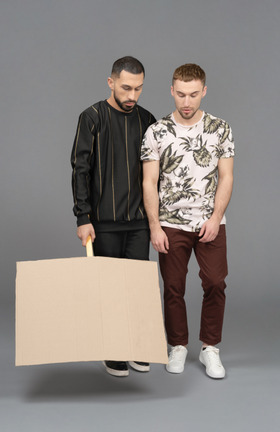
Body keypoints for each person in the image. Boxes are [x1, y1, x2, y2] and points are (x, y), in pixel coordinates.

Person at [141, 64, 234, 379]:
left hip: (210, 223)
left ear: (204, 91)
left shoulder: (220, 128)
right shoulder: (157, 131)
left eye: (193, 94)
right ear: (171, 90)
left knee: (215, 283)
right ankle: (177, 345)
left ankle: (210, 348)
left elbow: (226, 176)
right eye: (181, 94)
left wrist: (216, 217)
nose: (187, 101)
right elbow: (149, 181)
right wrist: (155, 225)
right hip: (170, 222)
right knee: (173, 287)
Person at [71, 56, 156, 377]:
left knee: (137, 288)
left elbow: (156, 173)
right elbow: (80, 170)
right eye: (125, 88)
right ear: (110, 83)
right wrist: (83, 217)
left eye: (138, 88)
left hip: (139, 222)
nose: (132, 95)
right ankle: (113, 352)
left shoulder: (147, 120)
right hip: (102, 220)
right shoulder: (91, 118)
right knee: (109, 289)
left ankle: (136, 347)